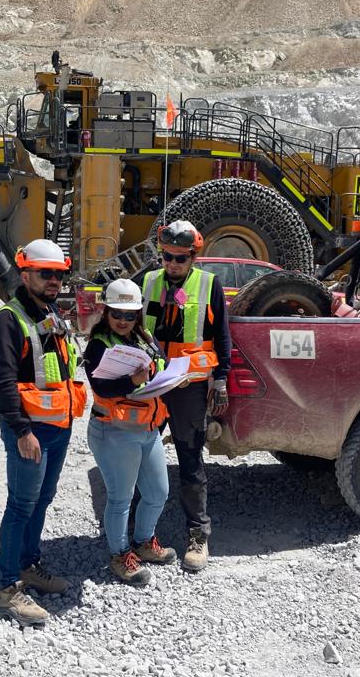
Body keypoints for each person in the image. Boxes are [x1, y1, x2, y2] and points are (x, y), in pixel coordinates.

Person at [0, 239, 88, 626]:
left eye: (58, 275)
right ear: (24, 274)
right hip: (30, 432)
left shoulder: (51, 315)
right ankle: (8, 587)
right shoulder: (7, 321)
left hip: (58, 427)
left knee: (43, 499)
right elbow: (3, 384)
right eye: (45, 274)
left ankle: (29, 564)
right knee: (21, 506)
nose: (53, 281)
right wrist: (22, 432)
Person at [141, 220, 231, 572]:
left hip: (188, 387)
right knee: (139, 455)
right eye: (167, 257)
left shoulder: (208, 285)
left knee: (190, 460)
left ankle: (198, 534)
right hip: (150, 382)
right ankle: (141, 534)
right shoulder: (149, 283)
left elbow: (222, 336)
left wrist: (220, 380)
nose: (173, 264)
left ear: (194, 256)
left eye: (181, 258)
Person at [84, 278, 177, 587]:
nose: (123, 321)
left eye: (129, 315)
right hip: (114, 430)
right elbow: (100, 387)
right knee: (121, 498)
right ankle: (120, 554)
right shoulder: (98, 344)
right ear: (106, 312)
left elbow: (160, 362)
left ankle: (142, 542)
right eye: (117, 314)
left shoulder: (144, 338)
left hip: (147, 428)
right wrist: (133, 379)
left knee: (157, 493)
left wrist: (172, 377)